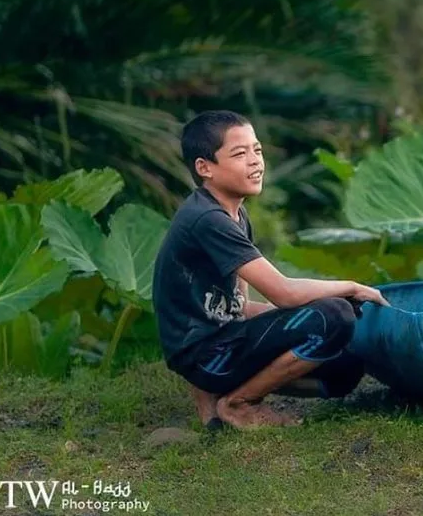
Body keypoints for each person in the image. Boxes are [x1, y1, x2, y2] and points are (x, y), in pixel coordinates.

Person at [152, 110, 391, 430]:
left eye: (257, 150)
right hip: (207, 357)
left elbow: (239, 307)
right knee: (334, 317)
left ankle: (225, 395)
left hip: (223, 345)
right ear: (204, 167)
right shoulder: (207, 220)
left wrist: (292, 321)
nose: (254, 161)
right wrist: (349, 287)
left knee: (344, 370)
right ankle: (240, 404)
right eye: (240, 153)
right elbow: (284, 292)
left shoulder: (233, 214)